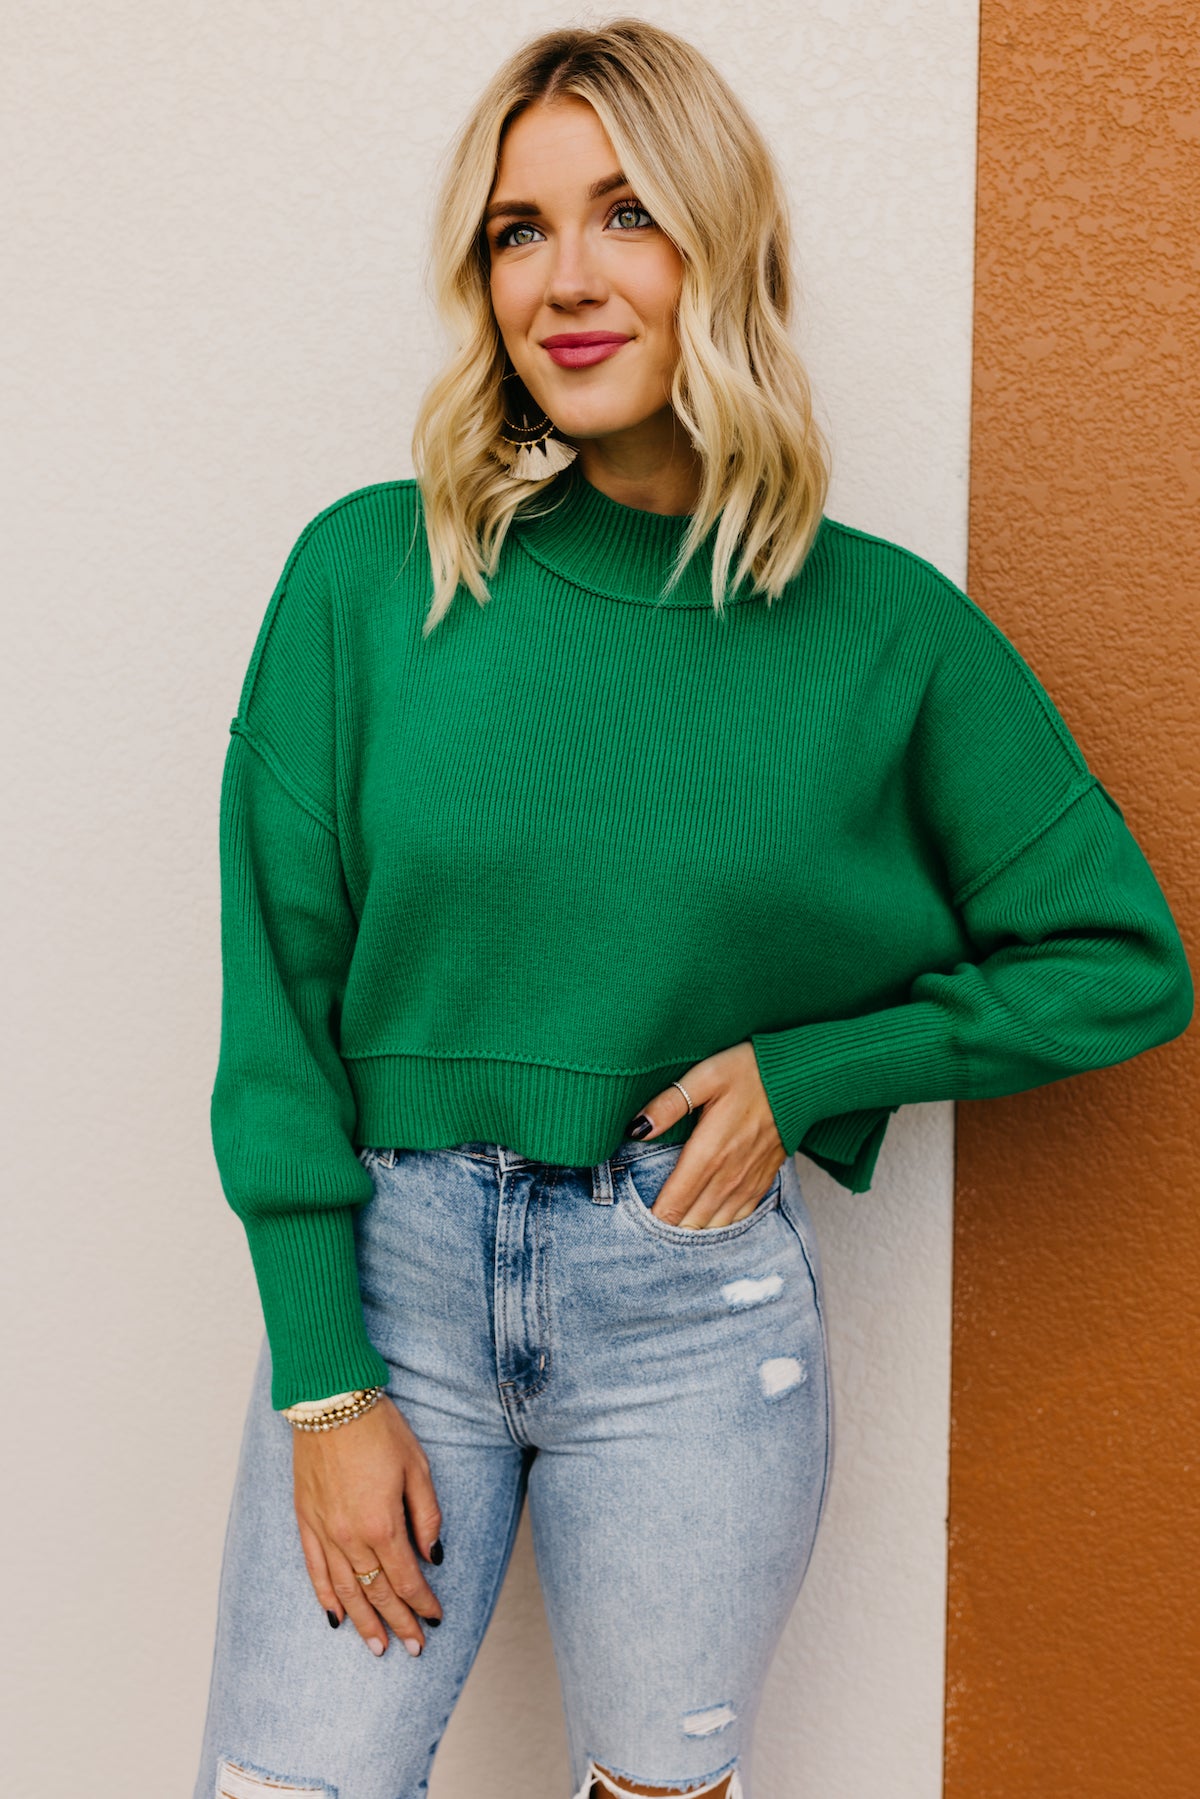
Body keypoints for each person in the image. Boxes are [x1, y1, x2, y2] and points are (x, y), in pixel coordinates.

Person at [193, 18, 1193, 1799]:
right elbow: (278, 1012)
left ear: (721, 248)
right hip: (392, 1291)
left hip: (689, 1311)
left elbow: (1119, 960)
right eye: (519, 230)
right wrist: (327, 1385)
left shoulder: (883, 632)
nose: (564, 280)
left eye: (627, 215)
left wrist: (814, 1071)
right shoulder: (369, 576)